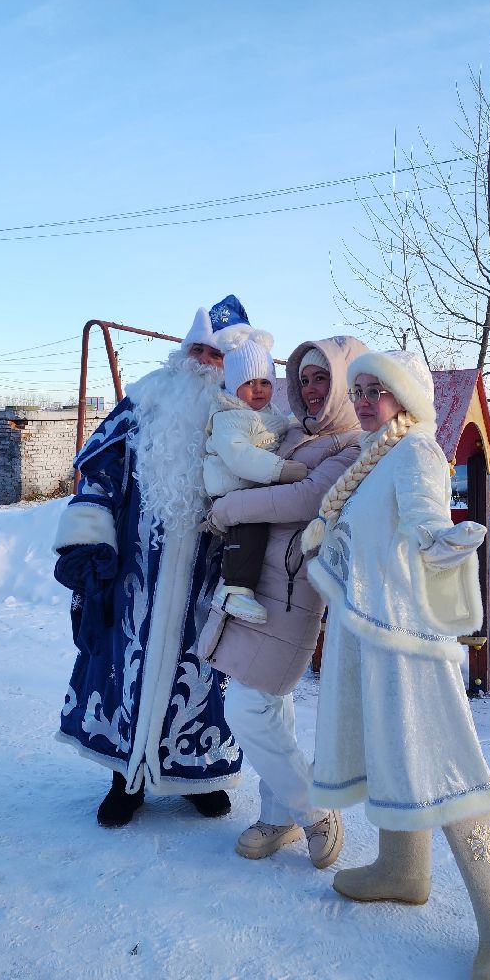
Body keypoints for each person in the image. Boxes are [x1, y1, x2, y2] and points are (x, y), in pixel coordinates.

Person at [301, 348, 490, 980]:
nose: (370, 398)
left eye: (382, 388)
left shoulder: (415, 454)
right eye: (363, 389)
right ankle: (402, 868)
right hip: (372, 638)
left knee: (448, 769)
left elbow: (426, 522)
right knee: (391, 753)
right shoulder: (372, 457)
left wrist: (446, 543)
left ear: (407, 396)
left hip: (410, 643)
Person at [52, 295, 250, 828]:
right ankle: (127, 777)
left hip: (211, 575)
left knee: (203, 674)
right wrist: (90, 540)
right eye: (200, 351)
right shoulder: (144, 402)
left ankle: (196, 772)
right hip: (137, 573)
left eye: (219, 356)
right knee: (127, 667)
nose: (207, 364)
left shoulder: (247, 417)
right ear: (184, 351)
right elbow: (98, 470)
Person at [200, 336, 365, 869]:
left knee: (247, 707)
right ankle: (279, 816)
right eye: (305, 379)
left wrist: (227, 508)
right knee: (273, 705)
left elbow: (304, 499)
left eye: (323, 379)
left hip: (292, 592)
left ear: (342, 384)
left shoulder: (353, 446)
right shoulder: (292, 432)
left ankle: (314, 811)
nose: (312, 390)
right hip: (256, 583)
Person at [202, 333, 308, 624]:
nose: (258, 390)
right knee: (250, 529)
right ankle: (234, 590)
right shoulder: (229, 417)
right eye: (248, 383)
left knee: (261, 527)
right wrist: (280, 469)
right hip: (232, 487)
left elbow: (280, 427)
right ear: (234, 386)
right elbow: (238, 455)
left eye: (264, 382)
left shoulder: (268, 412)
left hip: (251, 487)